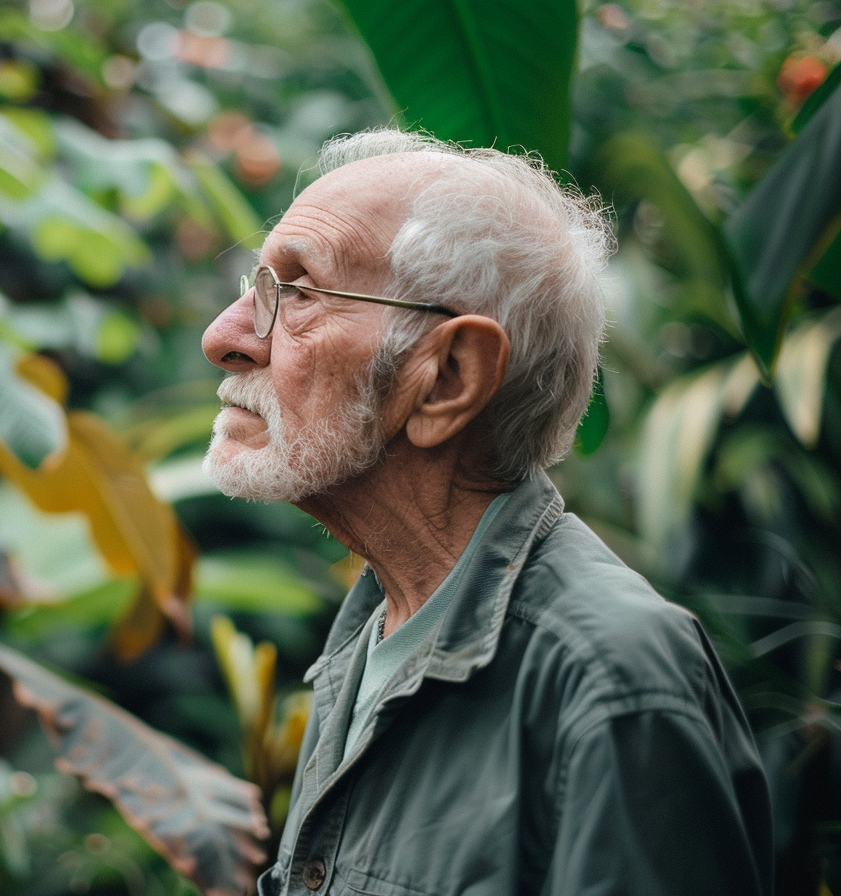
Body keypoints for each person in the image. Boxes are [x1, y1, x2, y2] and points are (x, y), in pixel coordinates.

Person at [201, 129, 772, 896]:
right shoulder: (373, 637)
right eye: (259, 283)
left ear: (447, 378)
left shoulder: (610, 679)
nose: (224, 336)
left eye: (297, 293)